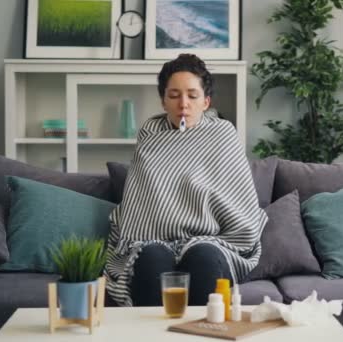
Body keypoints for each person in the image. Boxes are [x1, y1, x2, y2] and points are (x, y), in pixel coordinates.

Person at [104, 54, 268, 307]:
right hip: (152, 237)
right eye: (174, 95)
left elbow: (238, 196)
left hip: (211, 237)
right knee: (151, 258)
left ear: (206, 101)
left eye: (192, 96)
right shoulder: (150, 133)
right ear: (163, 100)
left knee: (203, 256)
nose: (183, 104)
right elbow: (142, 196)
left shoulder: (223, 133)